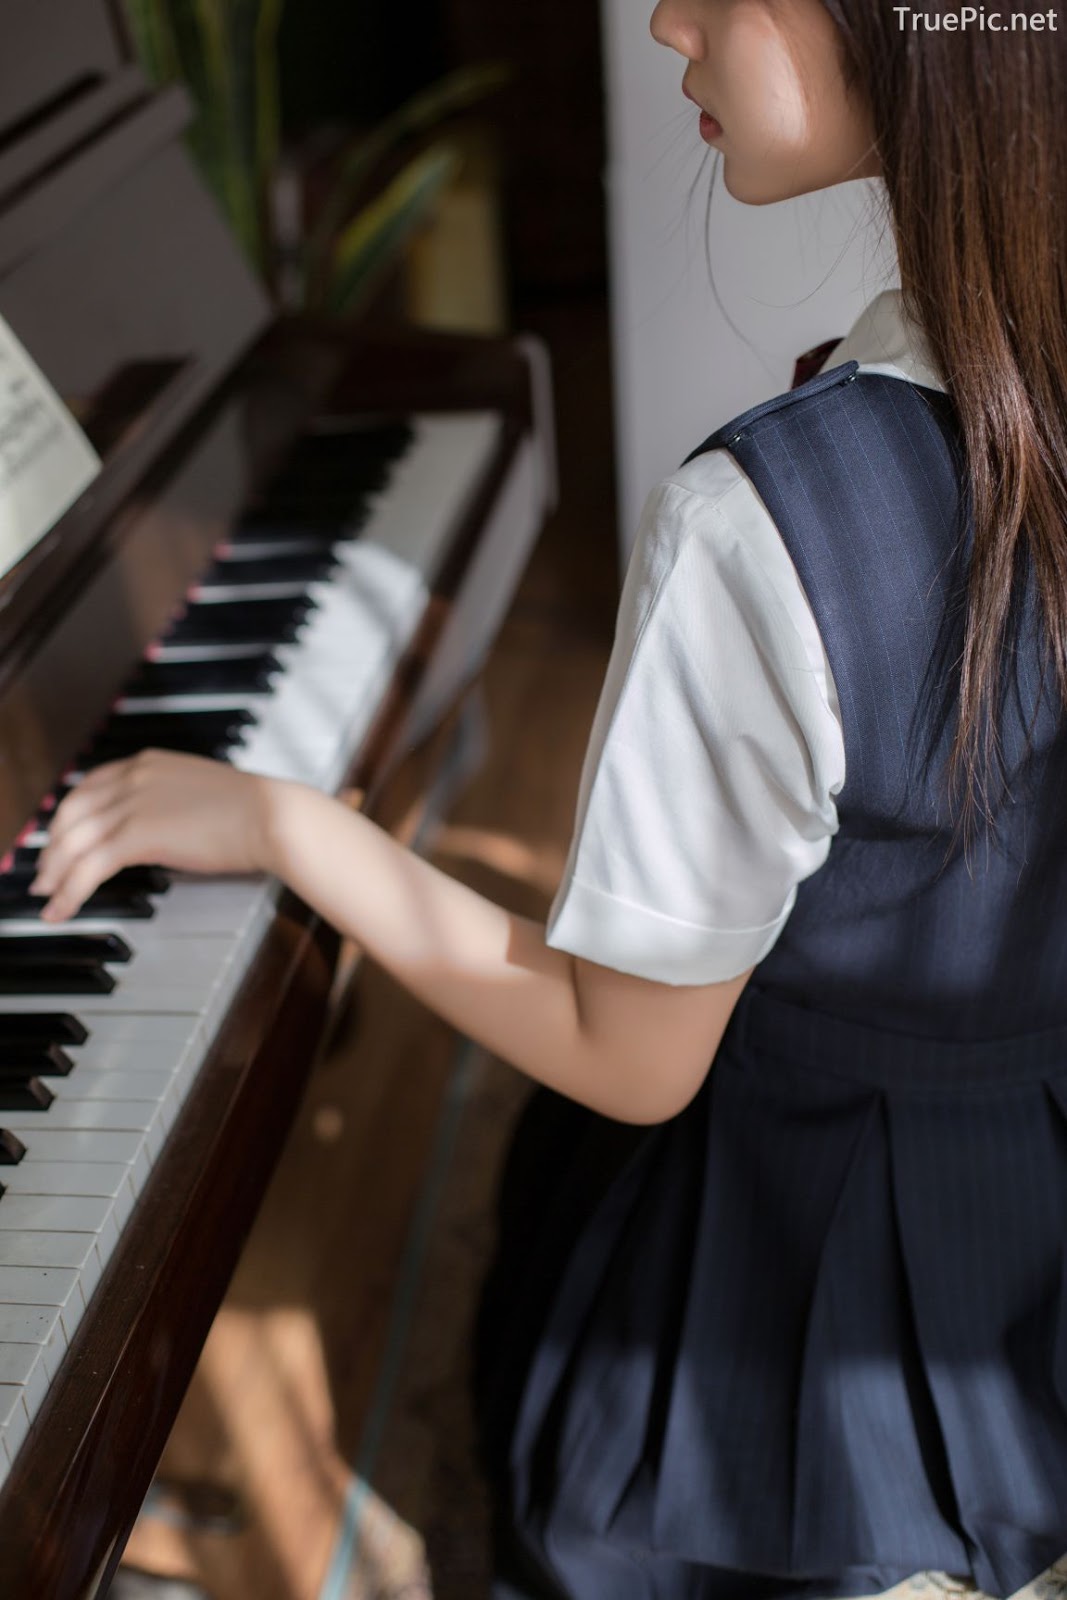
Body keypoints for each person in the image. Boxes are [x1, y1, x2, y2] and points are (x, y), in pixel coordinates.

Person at [29, 0, 1067, 1593]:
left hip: (813, 1325)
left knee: (559, 1309)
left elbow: (628, 1057)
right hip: (1030, 1219)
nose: (668, 21)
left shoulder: (762, 528)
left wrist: (288, 826)